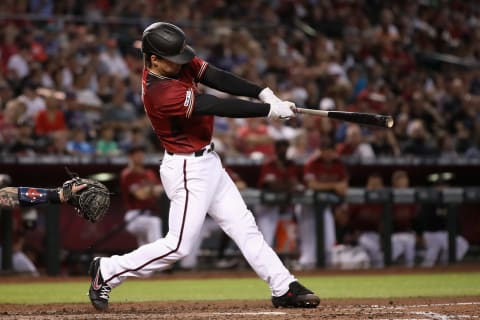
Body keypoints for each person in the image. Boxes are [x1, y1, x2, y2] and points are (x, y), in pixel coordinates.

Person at [87, 22, 320, 311]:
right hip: (186, 169)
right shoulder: (159, 91)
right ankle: (107, 270)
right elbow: (212, 104)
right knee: (178, 246)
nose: (182, 63)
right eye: (173, 59)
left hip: (209, 162)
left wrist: (263, 92)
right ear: (154, 59)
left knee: (245, 227)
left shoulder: (174, 62)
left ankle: (284, 286)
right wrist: (268, 111)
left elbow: (216, 77)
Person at [295, 138, 349, 270]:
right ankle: (306, 265)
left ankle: (325, 268)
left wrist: (334, 187)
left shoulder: (338, 164)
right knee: (309, 242)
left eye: (331, 151)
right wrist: (333, 185)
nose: (328, 154)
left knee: (329, 238)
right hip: (307, 206)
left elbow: (343, 187)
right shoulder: (312, 163)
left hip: (324, 207)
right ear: (321, 151)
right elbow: (312, 185)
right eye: (325, 151)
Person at [417, 174, 469, 267]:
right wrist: (420, 234)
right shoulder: (428, 201)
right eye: (439, 186)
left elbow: (456, 222)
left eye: (444, 185)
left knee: (462, 244)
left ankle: (445, 265)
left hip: (445, 234)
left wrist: (456, 233)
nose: (442, 188)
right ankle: (425, 269)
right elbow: (421, 220)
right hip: (431, 233)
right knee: (431, 257)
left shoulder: (451, 201)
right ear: (434, 187)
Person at [255, 139, 300, 247]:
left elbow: (295, 184)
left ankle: (284, 261)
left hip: (285, 206)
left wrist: (287, 185)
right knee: (266, 240)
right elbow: (272, 185)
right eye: (280, 148)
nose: (283, 150)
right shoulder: (269, 165)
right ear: (276, 150)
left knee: (287, 243)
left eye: (285, 148)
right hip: (267, 207)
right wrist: (288, 185)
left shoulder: (291, 164)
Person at [120, 145, 163, 247]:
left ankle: (147, 262)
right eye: (136, 154)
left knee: (144, 247)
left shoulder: (150, 173)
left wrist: (149, 190)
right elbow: (140, 195)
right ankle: (159, 256)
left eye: (141, 153)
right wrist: (153, 190)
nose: (140, 156)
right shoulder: (128, 174)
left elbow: (161, 190)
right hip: (135, 216)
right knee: (154, 223)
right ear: (130, 157)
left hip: (151, 213)